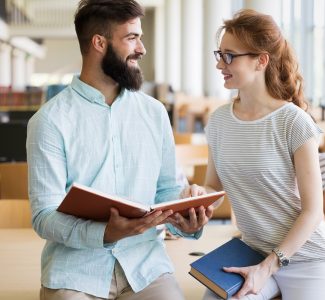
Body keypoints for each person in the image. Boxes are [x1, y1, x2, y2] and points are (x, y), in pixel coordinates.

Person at [26, 1, 213, 299]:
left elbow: (167, 191)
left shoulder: (154, 113)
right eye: (131, 38)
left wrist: (185, 218)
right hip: (75, 272)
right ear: (99, 43)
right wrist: (105, 234)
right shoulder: (49, 121)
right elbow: (44, 216)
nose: (142, 48)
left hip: (146, 267)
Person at [203, 9, 325, 300]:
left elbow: (312, 212)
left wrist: (269, 266)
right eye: (219, 54)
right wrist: (197, 195)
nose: (220, 64)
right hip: (251, 251)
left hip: (305, 257)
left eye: (229, 55)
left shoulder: (294, 122)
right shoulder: (219, 121)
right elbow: (212, 187)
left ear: (261, 60)